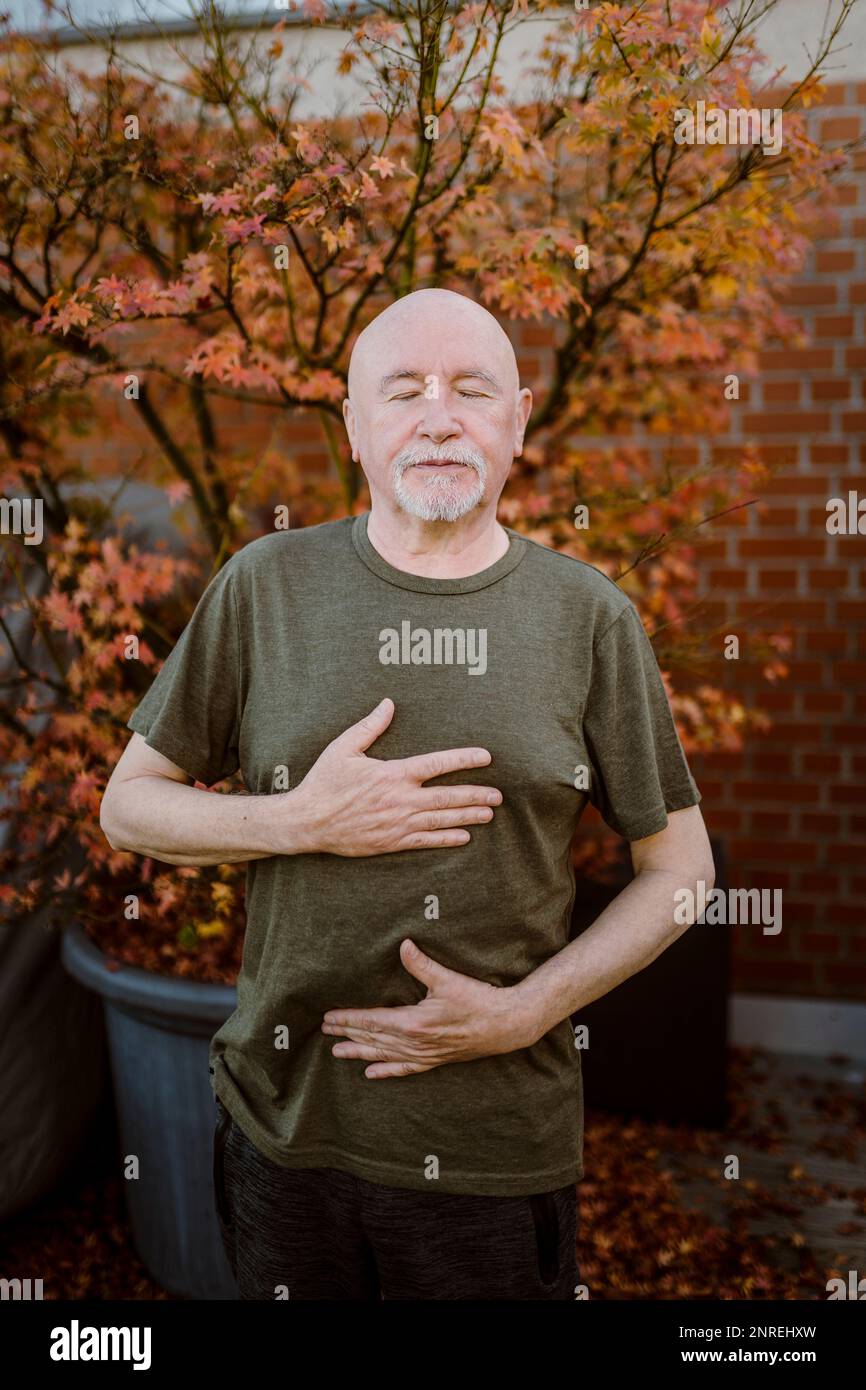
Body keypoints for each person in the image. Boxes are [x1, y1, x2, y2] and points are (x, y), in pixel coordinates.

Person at [100, 287, 714, 1301]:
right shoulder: (265, 587)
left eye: (470, 389)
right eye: (402, 391)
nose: (437, 415)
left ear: (517, 418)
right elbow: (129, 805)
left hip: (489, 1147)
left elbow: (680, 869)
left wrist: (527, 1009)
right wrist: (302, 821)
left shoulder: (587, 617)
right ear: (353, 428)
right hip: (284, 1131)